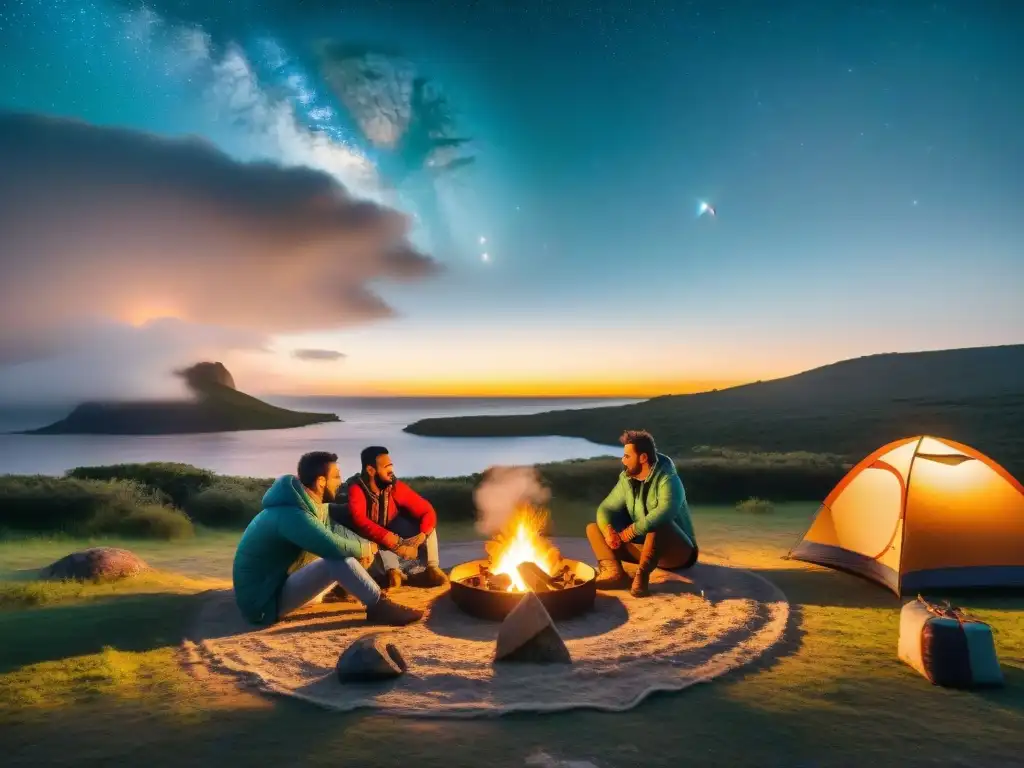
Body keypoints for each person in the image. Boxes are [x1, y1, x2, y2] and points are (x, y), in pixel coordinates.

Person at [231, 450, 423, 627]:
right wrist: (367, 549)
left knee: (346, 550)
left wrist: (366, 545)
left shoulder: (313, 506)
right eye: (336, 477)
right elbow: (333, 546)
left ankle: (346, 590)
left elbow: (337, 532)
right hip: (264, 604)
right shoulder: (292, 515)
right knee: (336, 559)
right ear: (321, 481)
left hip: (280, 585)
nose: (340, 482)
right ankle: (378, 606)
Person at [585, 429, 699, 597]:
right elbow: (606, 508)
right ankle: (614, 573)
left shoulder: (668, 479)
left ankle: (642, 576)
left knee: (658, 523)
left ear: (643, 458)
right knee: (594, 528)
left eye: (627, 456)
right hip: (642, 548)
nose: (623, 460)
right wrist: (608, 531)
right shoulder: (627, 479)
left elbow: (665, 512)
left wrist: (631, 531)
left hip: (677, 553)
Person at [338, 445, 448, 589]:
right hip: (365, 539)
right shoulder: (356, 489)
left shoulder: (394, 487)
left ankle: (432, 568)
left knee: (428, 527)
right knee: (375, 539)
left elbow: (427, 510)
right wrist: (395, 543)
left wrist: (422, 534)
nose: (391, 471)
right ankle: (393, 572)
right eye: (386, 467)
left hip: (390, 534)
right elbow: (360, 520)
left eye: (391, 466)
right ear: (371, 470)